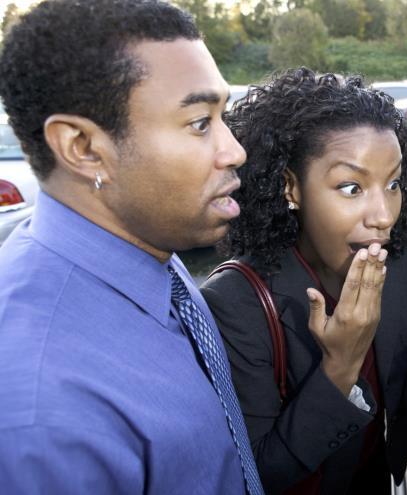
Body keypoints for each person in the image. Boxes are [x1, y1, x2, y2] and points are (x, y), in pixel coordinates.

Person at [201, 68, 407, 494]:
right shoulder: (235, 303)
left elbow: (403, 392)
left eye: (393, 183)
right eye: (351, 187)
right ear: (291, 189)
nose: (383, 215)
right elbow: (257, 474)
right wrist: (340, 365)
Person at [0, 1, 264, 493]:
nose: (234, 150)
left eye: (222, 115)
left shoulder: (148, 249)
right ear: (83, 148)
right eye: (200, 123)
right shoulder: (40, 414)